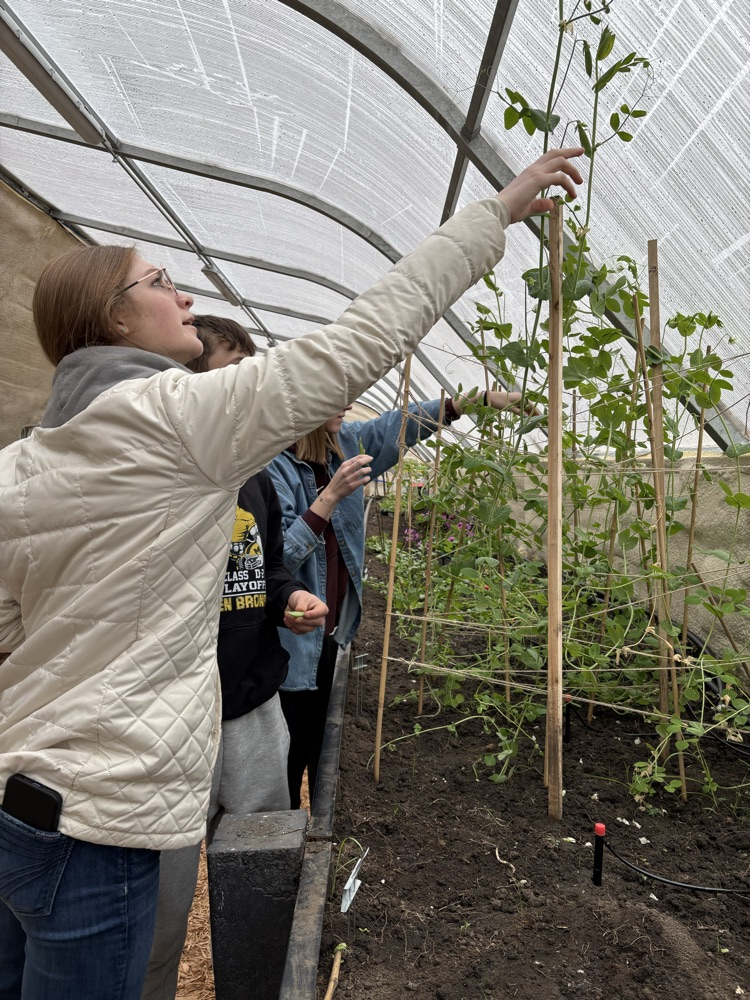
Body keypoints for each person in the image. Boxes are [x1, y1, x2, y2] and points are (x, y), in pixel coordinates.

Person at [0, 148, 583, 999]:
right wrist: (494, 214)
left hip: (19, 810)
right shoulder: (171, 419)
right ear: (113, 319)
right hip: (98, 825)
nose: (185, 294)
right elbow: (356, 344)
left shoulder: (26, 460)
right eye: (162, 280)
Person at [141, 316, 327, 1000]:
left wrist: (289, 598)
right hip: (164, 715)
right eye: (230, 376)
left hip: (250, 701)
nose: (242, 395)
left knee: (260, 870)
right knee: (156, 904)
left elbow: (266, 567)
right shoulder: (156, 473)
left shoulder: (249, 477)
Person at [268, 389, 527, 809]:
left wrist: (474, 402)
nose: (346, 403)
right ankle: (281, 844)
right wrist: (328, 498)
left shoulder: (345, 444)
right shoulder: (273, 466)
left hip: (330, 632)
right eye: (331, 394)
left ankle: (314, 830)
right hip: (290, 640)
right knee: (286, 756)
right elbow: (276, 561)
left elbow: (398, 426)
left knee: (322, 752)